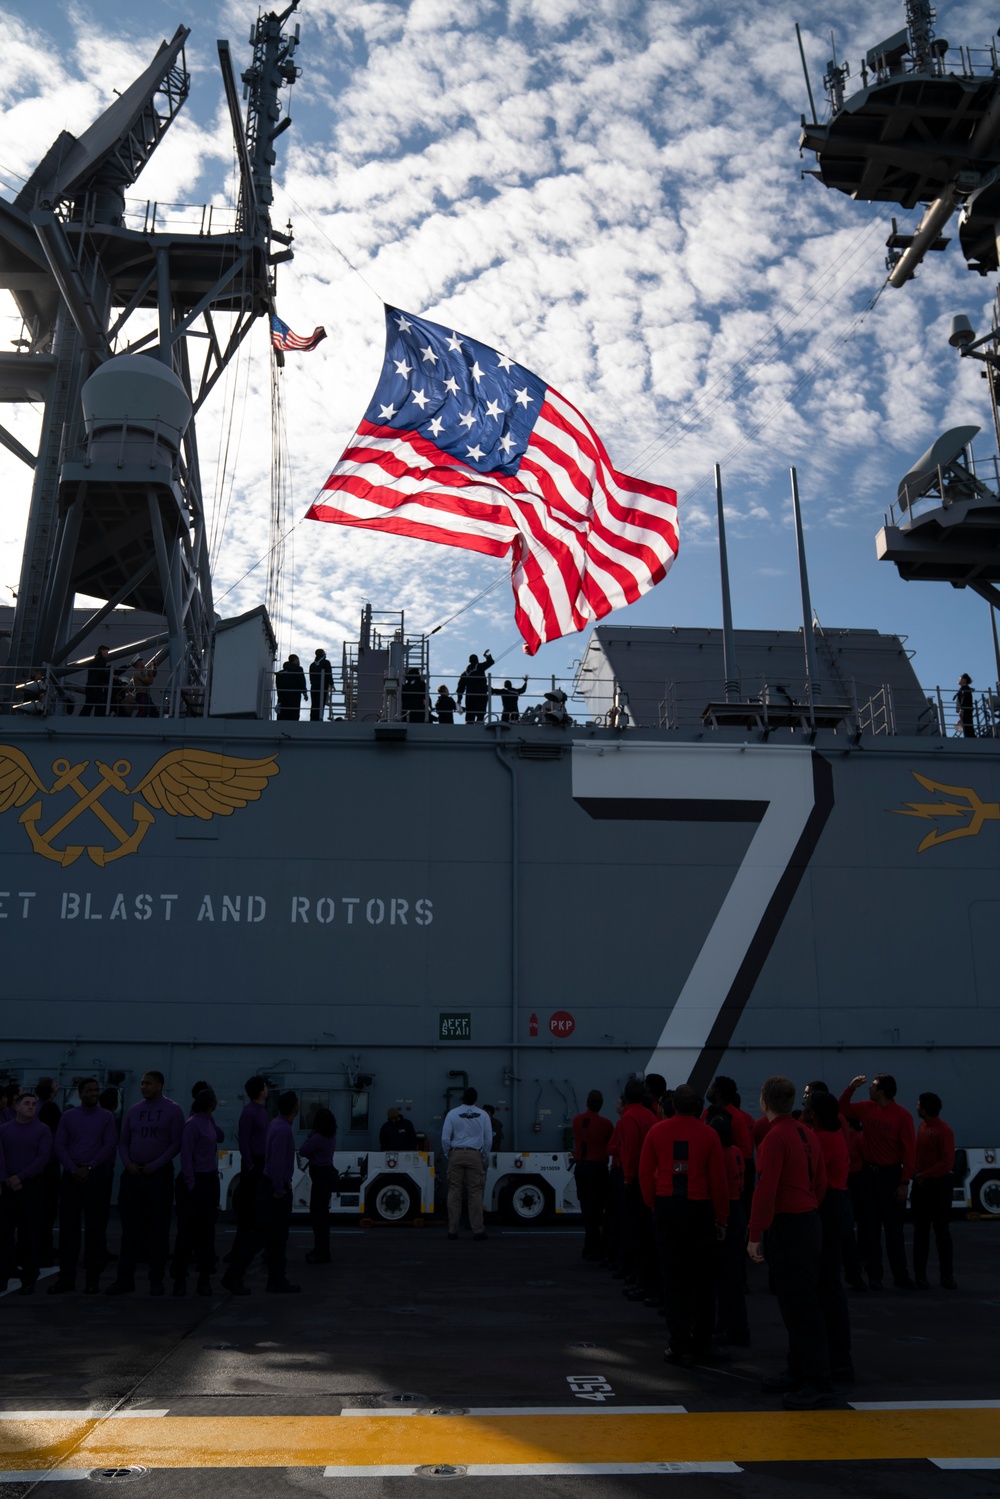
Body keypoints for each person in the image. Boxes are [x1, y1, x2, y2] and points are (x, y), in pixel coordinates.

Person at [749, 1075, 832, 1409]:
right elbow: (821, 1181)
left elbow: (765, 1189)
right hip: (808, 1221)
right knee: (801, 1304)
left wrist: (755, 1235)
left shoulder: (774, 1138)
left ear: (764, 1102)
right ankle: (798, 1372)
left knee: (799, 1309)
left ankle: (817, 1383)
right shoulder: (806, 1133)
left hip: (790, 1227)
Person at [639, 1084, 729, 1368]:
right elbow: (719, 1181)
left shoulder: (657, 1131)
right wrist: (722, 1218)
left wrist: (654, 1205)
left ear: (672, 1106)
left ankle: (680, 1346)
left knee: (674, 1279)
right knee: (703, 1281)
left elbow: (645, 1174)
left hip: (667, 1207)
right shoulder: (709, 1134)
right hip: (700, 1210)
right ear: (700, 1108)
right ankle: (703, 1342)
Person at [107, 1072, 184, 1297]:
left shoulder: (173, 1110)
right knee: (130, 1231)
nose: (143, 1087)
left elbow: (176, 1143)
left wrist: (155, 1164)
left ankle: (156, 1280)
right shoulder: (133, 1110)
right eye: (142, 1083)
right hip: (133, 1176)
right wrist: (129, 1163)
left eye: (148, 1083)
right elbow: (123, 1142)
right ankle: (125, 1279)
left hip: (158, 1177)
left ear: (160, 1085)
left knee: (158, 1231)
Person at [838, 1072, 915, 1290]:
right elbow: (841, 1108)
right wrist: (850, 1087)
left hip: (890, 1175)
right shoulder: (866, 1109)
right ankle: (875, 1276)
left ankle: (901, 1275)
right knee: (869, 1228)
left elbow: (909, 1151)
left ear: (881, 1091)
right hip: (868, 1174)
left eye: (872, 1086)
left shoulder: (902, 1116)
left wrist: (904, 1182)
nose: (869, 1088)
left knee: (894, 1229)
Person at [223, 1090, 301, 1294]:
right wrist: (278, 1189)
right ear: (296, 1108)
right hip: (275, 1190)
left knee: (277, 1238)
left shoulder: (275, 1123)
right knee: (260, 1237)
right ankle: (233, 1275)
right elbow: (276, 1162)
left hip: (271, 1186)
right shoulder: (283, 1130)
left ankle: (276, 1279)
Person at [801, 1089, 854, 1385]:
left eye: (807, 1107)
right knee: (829, 1285)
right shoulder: (834, 1135)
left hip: (828, 1208)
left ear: (814, 1114)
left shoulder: (820, 1140)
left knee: (828, 1286)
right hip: (837, 1206)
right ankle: (837, 1358)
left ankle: (837, 1361)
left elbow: (815, 1182)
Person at [48, 1079, 117, 1294]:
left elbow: (109, 1144)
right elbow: (59, 1144)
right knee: (69, 1229)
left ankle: (92, 1278)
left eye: (96, 1090)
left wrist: (90, 1166)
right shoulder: (68, 1116)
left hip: (95, 1176)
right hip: (72, 1176)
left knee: (96, 1229)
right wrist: (72, 1168)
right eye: (89, 1091)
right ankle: (66, 1278)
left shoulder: (106, 1117)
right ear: (80, 1094)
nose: (93, 1094)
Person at [0, 1090, 53, 1294]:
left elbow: (42, 1158)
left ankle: (30, 1277)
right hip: (7, 1187)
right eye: (27, 1103)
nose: (31, 1106)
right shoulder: (4, 1129)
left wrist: (20, 1177)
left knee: (29, 1234)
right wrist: (6, 1178)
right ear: (17, 1107)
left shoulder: (42, 1130)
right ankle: (4, 1274)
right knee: (4, 1235)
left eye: (34, 1104)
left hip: (29, 1186)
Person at [171, 1088, 222, 1297]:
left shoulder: (206, 1121)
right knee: (188, 1233)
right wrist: (191, 1185)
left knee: (206, 1233)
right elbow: (186, 1156)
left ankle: (204, 1277)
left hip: (208, 1179)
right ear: (211, 1104)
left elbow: (219, 1136)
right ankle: (180, 1279)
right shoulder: (192, 1124)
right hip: (197, 1181)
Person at [705, 1107, 749, 1346]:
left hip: (726, 1211)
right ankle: (729, 1323)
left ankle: (734, 1327)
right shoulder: (736, 1152)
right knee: (730, 1274)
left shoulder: (718, 1154)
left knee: (725, 1276)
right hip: (737, 1209)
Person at [617, 1078, 658, 1299]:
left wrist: (628, 1179)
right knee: (647, 1235)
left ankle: (643, 1282)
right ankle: (647, 1280)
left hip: (635, 1182)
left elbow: (630, 1152)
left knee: (637, 1234)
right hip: (651, 1179)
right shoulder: (650, 1116)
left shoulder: (628, 1118)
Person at [912, 1092, 957, 1290]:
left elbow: (947, 1163)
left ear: (925, 1108)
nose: (917, 1107)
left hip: (938, 1186)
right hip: (923, 1185)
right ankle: (920, 1275)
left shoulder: (944, 1131)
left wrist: (924, 1174)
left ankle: (946, 1275)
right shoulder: (922, 1127)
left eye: (919, 1105)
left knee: (941, 1233)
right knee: (921, 1233)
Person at [441, 1086, 492, 1240]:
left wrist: (449, 1154)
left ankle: (452, 1230)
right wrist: (482, 1157)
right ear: (475, 1099)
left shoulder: (452, 1113)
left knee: (454, 1192)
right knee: (475, 1193)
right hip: (475, 1154)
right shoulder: (483, 1115)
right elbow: (488, 1140)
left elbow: (445, 1138)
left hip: (456, 1154)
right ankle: (477, 1230)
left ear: (463, 1098)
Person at [231, 1077, 269, 1265]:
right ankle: (238, 1252)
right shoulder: (249, 1112)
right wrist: (250, 1165)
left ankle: (246, 1250)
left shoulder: (261, 1110)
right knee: (248, 1212)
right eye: (265, 1086)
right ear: (260, 1091)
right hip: (253, 1164)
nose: (267, 1089)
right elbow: (243, 1140)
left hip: (260, 1163)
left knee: (257, 1211)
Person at [572, 1090, 613, 1262]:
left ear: (587, 1103)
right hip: (598, 1168)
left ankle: (591, 1245)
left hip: (581, 1166)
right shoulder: (606, 1124)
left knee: (586, 1206)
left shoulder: (577, 1120)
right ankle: (595, 1246)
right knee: (597, 1209)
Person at [300, 1106, 337, 1264]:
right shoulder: (331, 1136)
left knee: (317, 1216)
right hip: (327, 1175)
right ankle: (321, 1250)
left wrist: (310, 1137)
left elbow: (303, 1151)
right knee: (322, 1216)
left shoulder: (317, 1138)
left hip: (320, 1177)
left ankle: (321, 1252)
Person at [35, 1078, 62, 1267]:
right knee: (48, 1211)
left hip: (36, 1167)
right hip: (49, 1166)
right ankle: (45, 1252)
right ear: (51, 1092)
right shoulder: (51, 1109)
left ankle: (38, 1250)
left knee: (37, 1212)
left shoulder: (32, 1109)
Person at [456, 651, 494, 723]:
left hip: (470, 695)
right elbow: (491, 662)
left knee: (470, 714)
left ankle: (469, 727)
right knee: (480, 713)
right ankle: (479, 724)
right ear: (477, 660)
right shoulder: (480, 667)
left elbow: (460, 688)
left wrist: (459, 699)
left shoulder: (464, 674)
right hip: (481, 694)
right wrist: (486, 656)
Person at [80, 645, 113, 717]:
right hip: (96, 685)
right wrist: (107, 676)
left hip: (90, 685)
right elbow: (100, 672)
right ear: (102, 651)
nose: (107, 653)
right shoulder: (102, 660)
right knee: (99, 703)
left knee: (88, 704)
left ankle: (82, 718)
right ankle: (98, 718)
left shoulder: (93, 661)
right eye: (106, 652)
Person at [275, 655, 307, 720]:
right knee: (293, 716)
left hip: (282, 697)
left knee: (282, 716)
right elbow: (301, 681)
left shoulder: (280, 673)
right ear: (295, 660)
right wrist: (304, 693)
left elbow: (278, 686)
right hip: (294, 697)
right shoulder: (298, 669)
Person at [309, 649, 333, 721]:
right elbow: (329, 674)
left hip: (314, 686)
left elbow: (311, 677)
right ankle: (319, 718)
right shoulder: (326, 662)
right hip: (322, 686)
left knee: (314, 703)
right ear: (323, 654)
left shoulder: (312, 665)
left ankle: (313, 718)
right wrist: (331, 683)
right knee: (321, 703)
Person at [955, 673, 975, 737]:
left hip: (966, 710)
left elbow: (965, 700)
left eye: (960, 678)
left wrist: (962, 710)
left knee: (967, 727)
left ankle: (970, 738)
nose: (959, 679)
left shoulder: (965, 689)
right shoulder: (965, 689)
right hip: (966, 711)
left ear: (964, 680)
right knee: (967, 726)